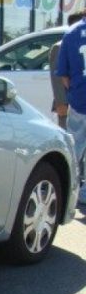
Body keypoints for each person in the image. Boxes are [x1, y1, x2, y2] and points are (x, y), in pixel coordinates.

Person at [55, 11, 86, 208]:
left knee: (75, 147)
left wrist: (75, 89)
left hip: (80, 99)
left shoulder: (72, 33)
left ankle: (71, 190)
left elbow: (63, 75)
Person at [49, 12, 84, 129]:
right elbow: (58, 78)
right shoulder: (59, 47)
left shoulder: (69, 40)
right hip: (69, 104)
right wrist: (61, 103)